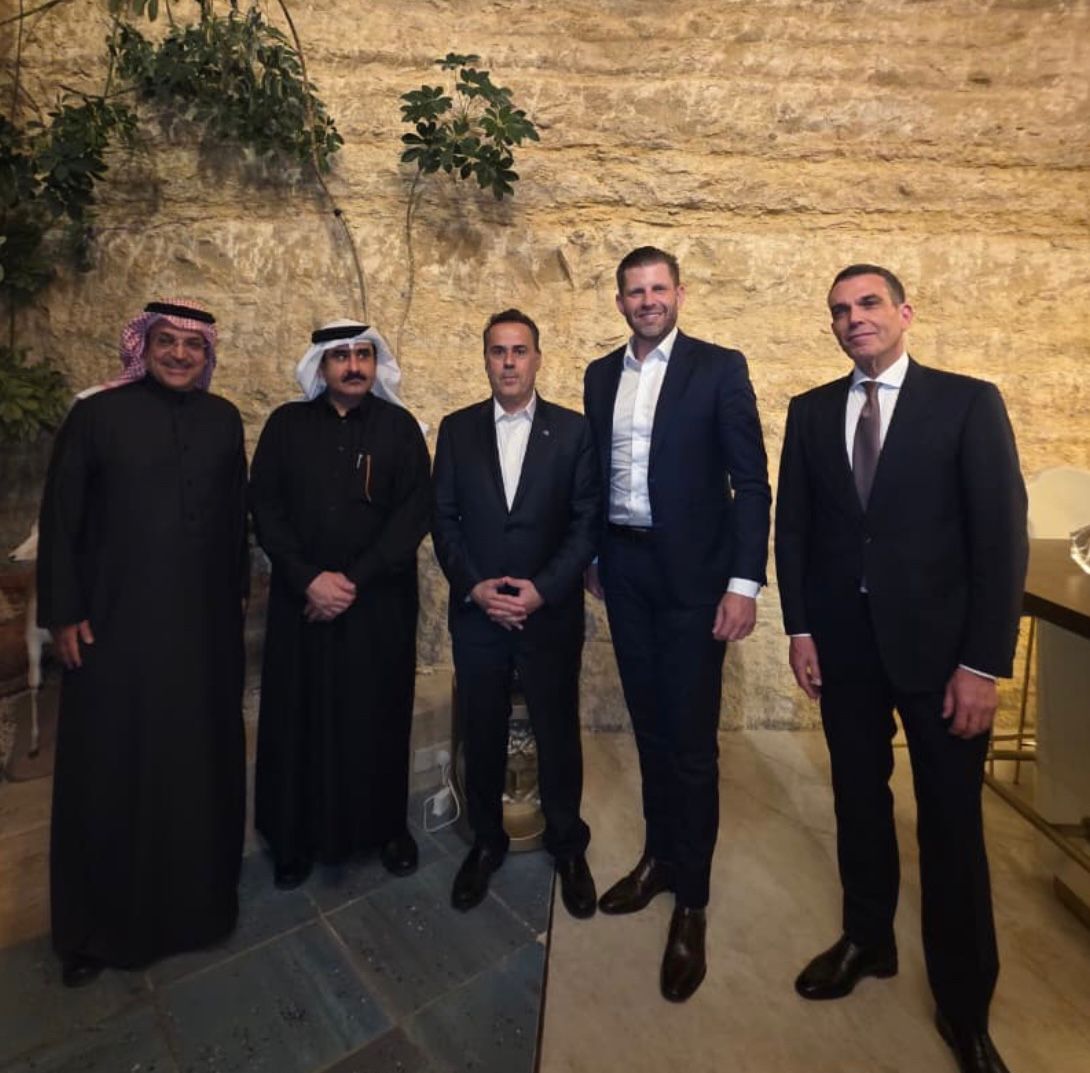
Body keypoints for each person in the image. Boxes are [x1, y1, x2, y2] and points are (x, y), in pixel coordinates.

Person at [775, 265, 1027, 1073]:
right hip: (844, 650)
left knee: (951, 827)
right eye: (839, 310)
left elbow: (1001, 540)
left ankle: (964, 1005)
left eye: (869, 303)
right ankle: (867, 939)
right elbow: (794, 529)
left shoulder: (967, 403)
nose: (854, 318)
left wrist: (982, 663)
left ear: (904, 312)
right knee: (857, 800)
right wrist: (801, 628)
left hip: (942, 657)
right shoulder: (811, 411)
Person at [36, 299, 248, 986]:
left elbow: (233, 524)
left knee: (194, 768)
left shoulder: (224, 420)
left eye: (193, 344)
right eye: (167, 341)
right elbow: (61, 517)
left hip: (202, 634)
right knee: (110, 772)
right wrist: (63, 613)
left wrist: (235, 607)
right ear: (143, 345)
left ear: (207, 353)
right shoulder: (96, 416)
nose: (180, 354)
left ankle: (197, 912)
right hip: (114, 632)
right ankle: (94, 932)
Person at [583, 247, 771, 1002]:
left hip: (695, 580)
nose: (648, 300)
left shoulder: (719, 368)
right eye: (635, 290)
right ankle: (660, 858)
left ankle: (692, 897)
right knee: (650, 727)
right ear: (620, 302)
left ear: (680, 294)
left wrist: (743, 583)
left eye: (659, 287)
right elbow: (597, 473)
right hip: (626, 572)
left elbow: (750, 482)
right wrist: (596, 552)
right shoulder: (600, 375)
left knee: (691, 743)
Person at [250, 321, 431, 889]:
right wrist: (309, 580)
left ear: (376, 364)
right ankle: (292, 838)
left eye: (363, 355)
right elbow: (266, 510)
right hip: (302, 604)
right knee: (298, 718)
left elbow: (413, 515)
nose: (354, 366)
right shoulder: (285, 426)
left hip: (378, 606)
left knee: (378, 717)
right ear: (321, 366)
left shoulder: (400, 429)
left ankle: (386, 829)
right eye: (341, 356)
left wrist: (350, 582)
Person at [432, 309, 600, 918]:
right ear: (485, 358)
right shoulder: (456, 430)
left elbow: (586, 522)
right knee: (481, 730)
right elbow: (443, 517)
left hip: (547, 615)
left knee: (557, 730)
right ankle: (486, 841)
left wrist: (543, 590)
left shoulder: (574, 432)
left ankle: (567, 844)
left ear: (537, 359)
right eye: (497, 351)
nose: (508, 362)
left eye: (519, 350)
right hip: (479, 614)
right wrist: (476, 588)